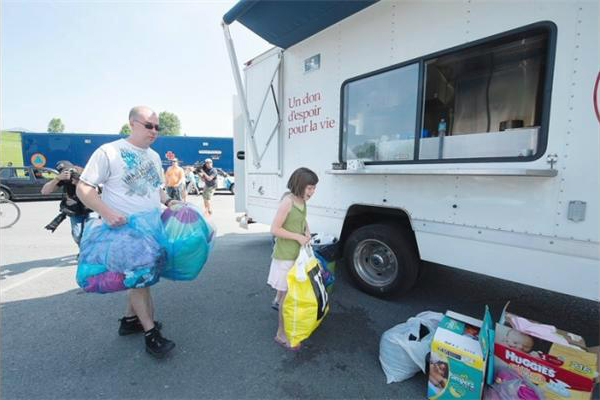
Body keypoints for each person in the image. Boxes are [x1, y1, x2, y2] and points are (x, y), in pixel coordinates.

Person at [76, 105, 176, 358]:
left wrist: (171, 202)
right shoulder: (110, 152)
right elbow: (83, 189)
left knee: (143, 278)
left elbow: (157, 189)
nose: (154, 131)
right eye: (148, 126)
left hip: (151, 228)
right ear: (132, 123)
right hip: (125, 232)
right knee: (141, 281)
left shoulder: (153, 156)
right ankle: (151, 334)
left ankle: (129, 321)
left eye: (157, 127)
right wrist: (107, 213)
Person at [267, 167, 318, 350]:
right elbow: (274, 229)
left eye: (314, 188)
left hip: (297, 255)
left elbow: (302, 219)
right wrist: (297, 237)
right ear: (300, 185)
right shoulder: (287, 202)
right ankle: (281, 335)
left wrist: (306, 231)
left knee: (285, 295)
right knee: (286, 298)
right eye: (309, 188)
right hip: (285, 256)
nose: (312, 192)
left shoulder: (302, 200)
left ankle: (279, 307)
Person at [41, 161, 92, 246]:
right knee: (77, 235)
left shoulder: (84, 172)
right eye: (64, 171)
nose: (68, 173)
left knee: (91, 233)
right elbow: (44, 191)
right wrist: (57, 178)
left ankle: (90, 253)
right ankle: (84, 251)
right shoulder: (64, 178)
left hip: (91, 207)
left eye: (69, 170)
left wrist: (78, 179)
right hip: (75, 210)